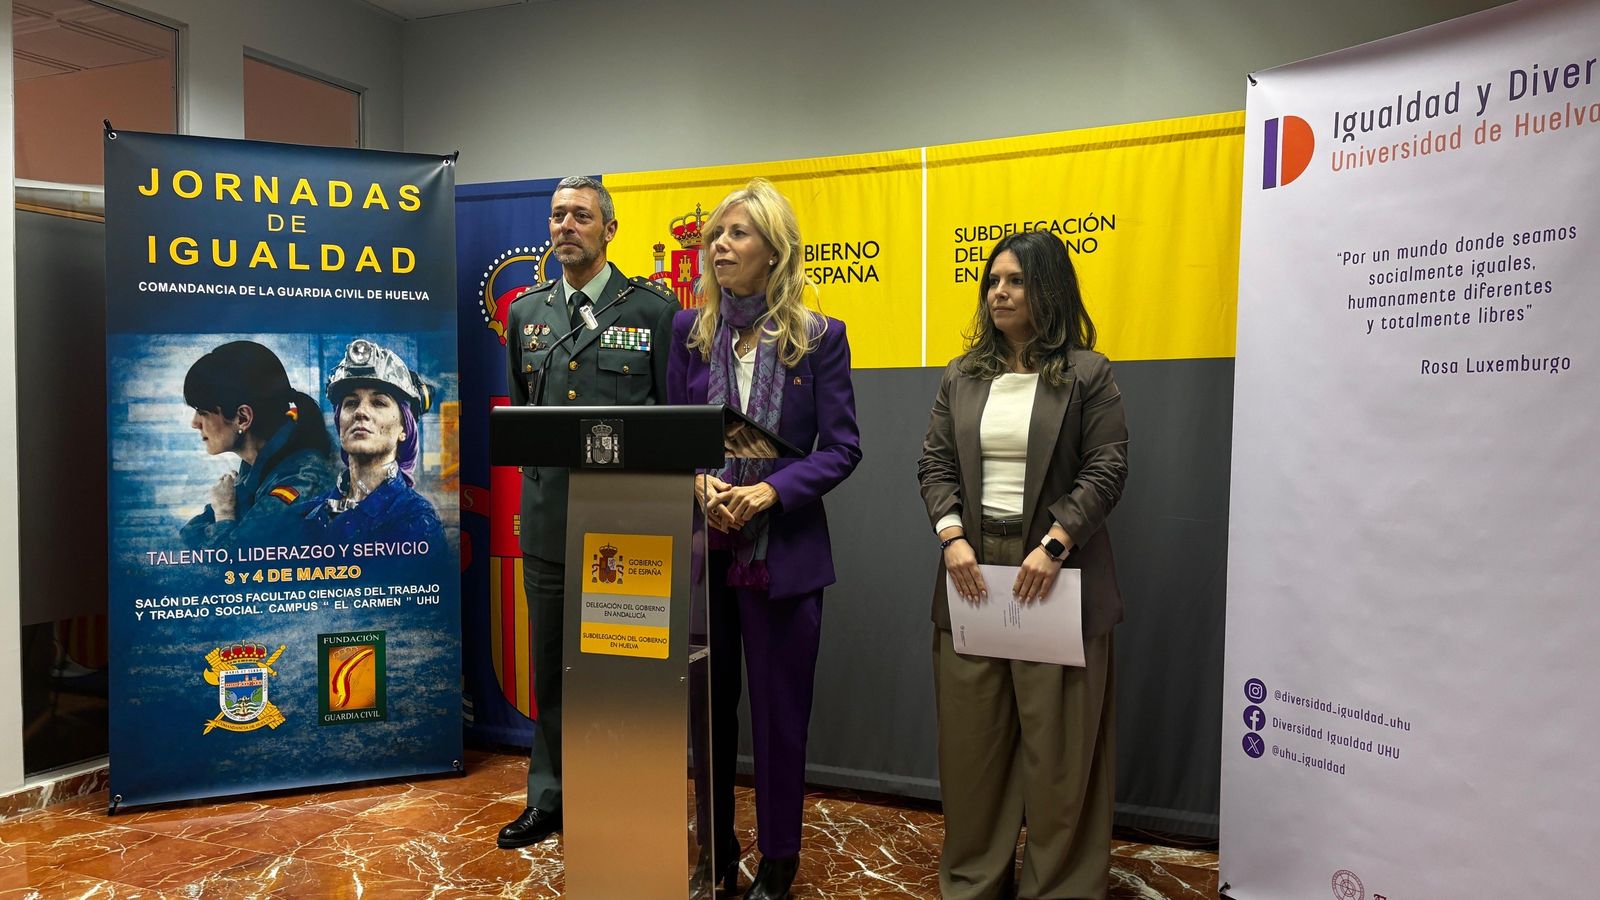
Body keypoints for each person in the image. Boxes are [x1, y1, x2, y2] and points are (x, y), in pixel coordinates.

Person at [917, 230, 1128, 900]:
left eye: (1015, 282)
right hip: (973, 572)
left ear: (1048, 292)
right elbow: (935, 464)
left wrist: (1057, 543)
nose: (999, 293)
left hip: (1054, 575)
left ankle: (1060, 887)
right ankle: (973, 883)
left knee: (1062, 756)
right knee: (973, 752)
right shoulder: (963, 374)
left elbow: (1108, 466)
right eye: (992, 282)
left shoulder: (1088, 373)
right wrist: (952, 539)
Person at [668, 177, 862, 900]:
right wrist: (699, 484)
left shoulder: (820, 339)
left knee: (781, 720)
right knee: (708, 718)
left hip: (784, 557)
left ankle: (779, 859)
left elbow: (842, 448)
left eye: (738, 234)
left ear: (775, 251)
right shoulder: (689, 336)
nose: (720, 245)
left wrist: (768, 491)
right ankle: (715, 848)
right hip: (704, 555)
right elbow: (673, 438)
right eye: (716, 234)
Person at [498, 175, 679, 850]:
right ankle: (547, 797)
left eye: (580, 216)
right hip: (547, 522)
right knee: (551, 668)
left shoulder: (655, 313)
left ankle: (620, 795)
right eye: (557, 215)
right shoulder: (526, 314)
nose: (565, 225)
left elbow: (670, 422)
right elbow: (521, 416)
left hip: (625, 527)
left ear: (609, 230)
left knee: (621, 670)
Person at [179, 340, 334, 550]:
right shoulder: (257, 464)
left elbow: (235, 562)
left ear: (243, 418)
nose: (195, 423)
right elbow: (188, 535)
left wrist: (224, 513)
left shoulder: (301, 481)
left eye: (203, 412)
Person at [303, 338, 445, 548]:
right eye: (351, 403)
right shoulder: (310, 513)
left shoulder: (416, 520)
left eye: (378, 403)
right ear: (339, 422)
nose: (360, 412)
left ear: (404, 429)